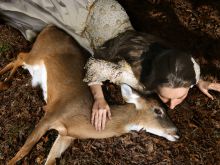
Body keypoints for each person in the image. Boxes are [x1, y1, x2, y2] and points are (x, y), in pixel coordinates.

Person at [1, 0, 220, 132]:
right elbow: (94, 67)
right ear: (152, 80)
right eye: (167, 98)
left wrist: (201, 82)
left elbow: (189, 74)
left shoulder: (189, 69)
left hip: (114, 16)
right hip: (89, 19)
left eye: (179, 96)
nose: (171, 106)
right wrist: (99, 98)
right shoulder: (127, 72)